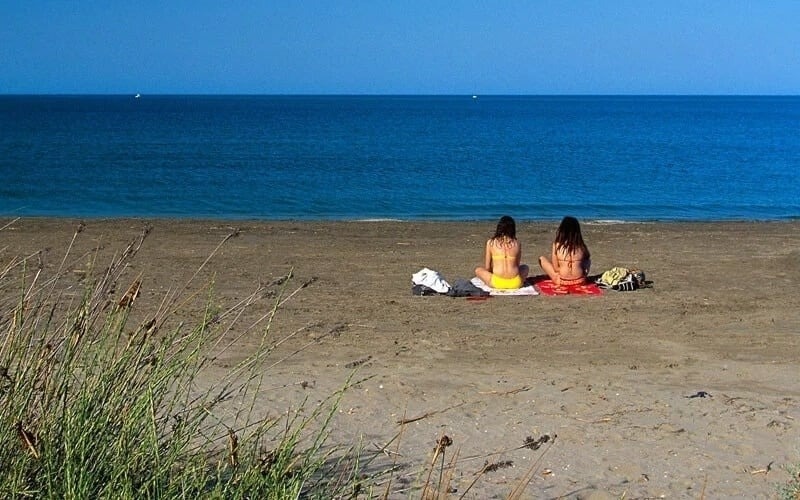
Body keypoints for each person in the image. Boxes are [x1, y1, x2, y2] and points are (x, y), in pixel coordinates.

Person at [475, 216, 529, 289]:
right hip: (515, 283)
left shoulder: (491, 242)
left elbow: (487, 267)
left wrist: (491, 273)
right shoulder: (517, 243)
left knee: (478, 270)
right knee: (525, 267)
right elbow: (517, 264)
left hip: (497, 282)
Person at [538, 216, 591, 286]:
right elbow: (587, 261)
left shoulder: (557, 245)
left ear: (562, 230)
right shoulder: (581, 245)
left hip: (562, 281)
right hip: (580, 281)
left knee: (541, 259)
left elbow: (556, 268)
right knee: (587, 260)